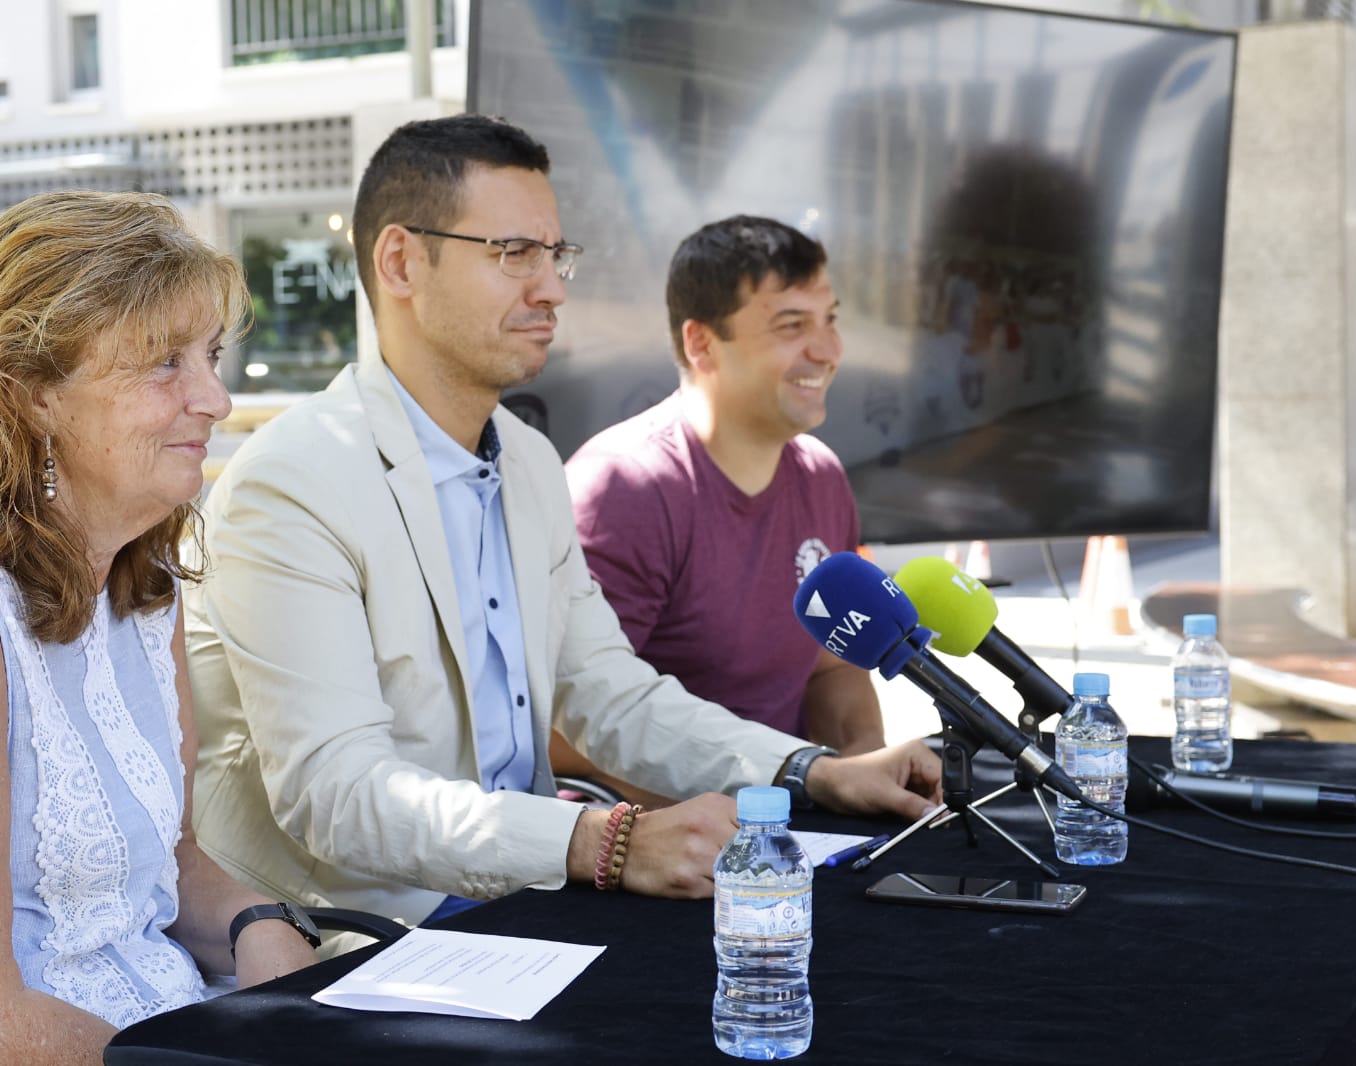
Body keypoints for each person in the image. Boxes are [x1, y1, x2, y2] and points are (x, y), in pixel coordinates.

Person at [185, 115, 942, 933]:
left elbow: (611, 697)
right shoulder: (295, 480)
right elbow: (334, 796)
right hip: (348, 936)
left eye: (556, 255)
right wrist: (601, 843)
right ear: (401, 261)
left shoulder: (531, 461)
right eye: (513, 254)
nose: (551, 289)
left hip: (519, 906)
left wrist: (813, 771)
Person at [0, 191, 321, 1065]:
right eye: (164, 365)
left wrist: (256, 923)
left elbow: (166, 861)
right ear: (31, 395)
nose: (217, 400)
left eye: (212, 356)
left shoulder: (137, 579)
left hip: (155, 1030)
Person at [555, 217, 883, 801]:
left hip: (788, 834)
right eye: (792, 326)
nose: (828, 351)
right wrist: (802, 781)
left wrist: (861, 773)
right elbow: (562, 725)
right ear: (701, 343)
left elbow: (834, 667)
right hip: (652, 856)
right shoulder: (622, 489)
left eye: (829, 320)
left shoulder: (822, 477)